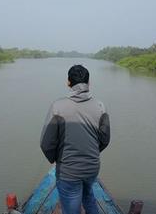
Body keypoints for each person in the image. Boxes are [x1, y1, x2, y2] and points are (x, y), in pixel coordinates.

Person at [40, 65, 110, 214]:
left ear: (68, 83)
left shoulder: (58, 106)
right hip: (92, 167)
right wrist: (91, 153)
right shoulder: (100, 106)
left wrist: (56, 159)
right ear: (88, 83)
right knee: (88, 196)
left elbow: (46, 144)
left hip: (68, 170)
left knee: (71, 207)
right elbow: (105, 139)